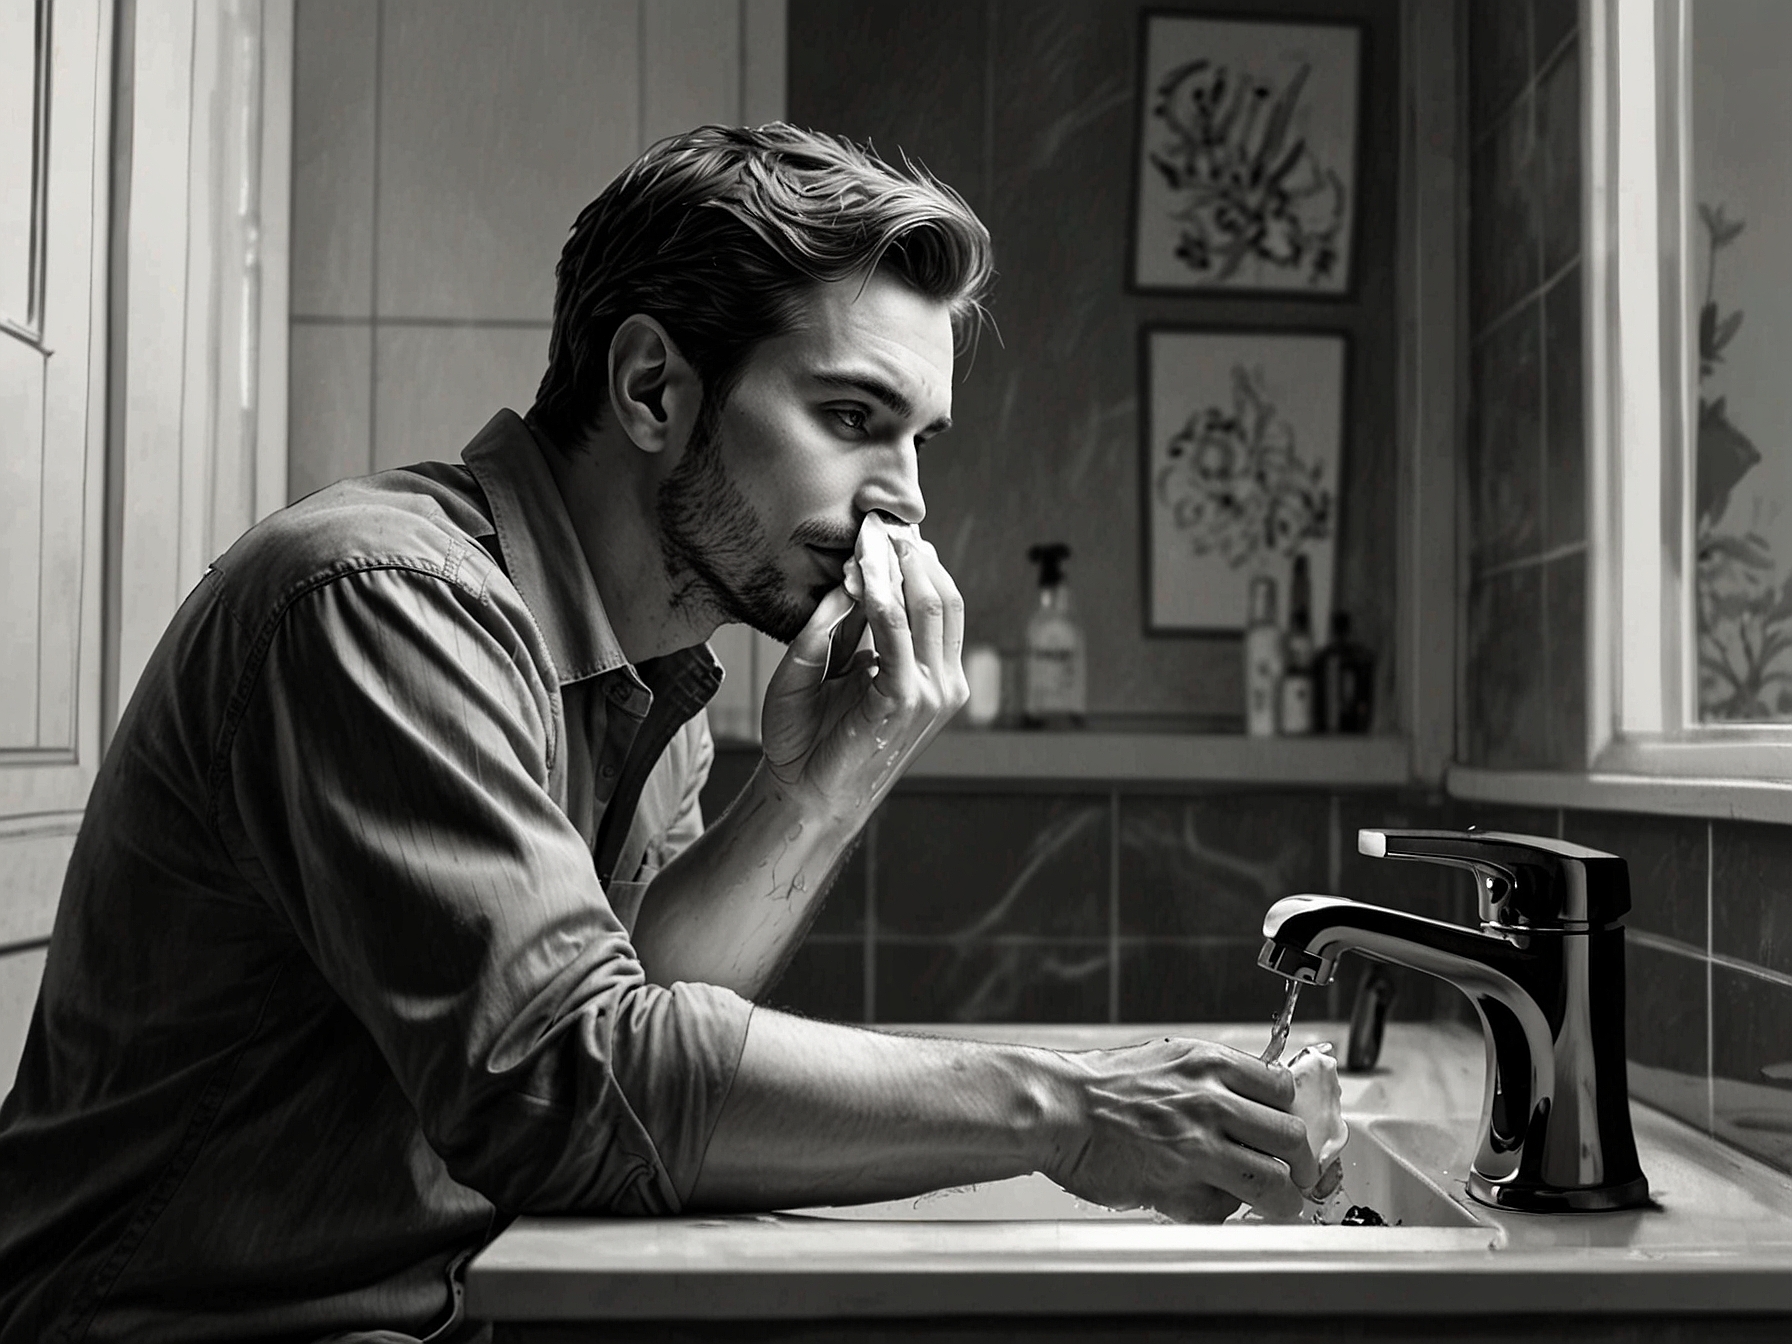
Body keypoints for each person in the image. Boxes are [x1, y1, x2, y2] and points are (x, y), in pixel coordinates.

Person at [0, 124, 1317, 1343]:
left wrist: (812, 792)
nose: (905, 505)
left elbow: (645, 1035)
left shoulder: (655, 677)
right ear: (650, 388)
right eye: (854, 419)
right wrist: (1066, 1109)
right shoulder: (383, 604)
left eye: (922, 441)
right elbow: (570, 1088)